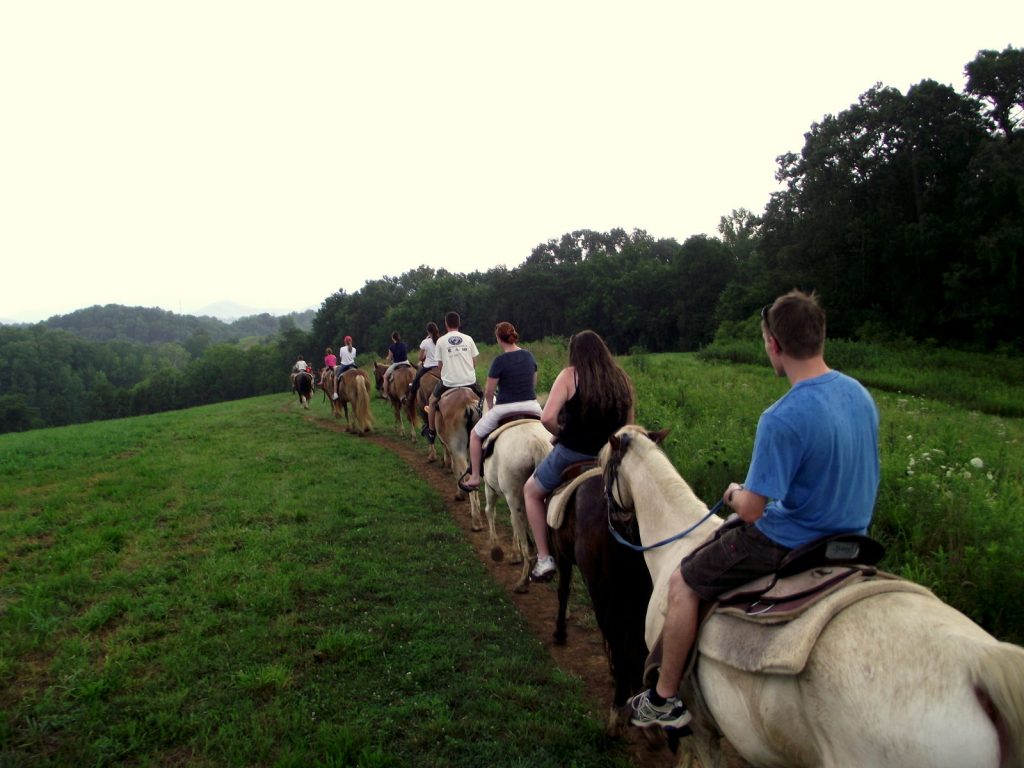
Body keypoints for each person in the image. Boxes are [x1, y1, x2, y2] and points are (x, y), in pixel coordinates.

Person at [627, 290, 881, 730]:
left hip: (791, 541)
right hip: (854, 539)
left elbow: (752, 511)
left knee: (684, 582)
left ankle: (663, 698)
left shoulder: (781, 416)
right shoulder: (859, 394)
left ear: (774, 345)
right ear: (820, 336)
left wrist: (733, 493)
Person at [523, 330, 634, 582]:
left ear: (575, 353)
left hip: (572, 453)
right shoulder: (621, 379)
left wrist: (560, 434)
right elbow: (628, 427)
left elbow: (547, 418)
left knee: (531, 491)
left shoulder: (569, 376)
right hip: (610, 458)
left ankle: (544, 558)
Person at [458, 322, 543, 492]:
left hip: (505, 408)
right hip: (532, 406)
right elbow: (533, 383)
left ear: (498, 339)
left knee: (475, 435)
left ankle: (474, 477)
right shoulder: (529, 356)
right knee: (551, 431)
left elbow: (489, 392)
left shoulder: (499, 361)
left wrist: (490, 407)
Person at [423, 312, 482, 443]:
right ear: (459, 323)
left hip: (449, 383)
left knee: (432, 401)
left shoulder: (441, 341)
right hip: (470, 381)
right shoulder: (468, 339)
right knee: (485, 400)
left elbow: (440, 365)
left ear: (446, 324)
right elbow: (474, 362)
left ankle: (431, 432)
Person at [409, 322, 441, 402]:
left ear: (428, 331)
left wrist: (424, 357)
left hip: (428, 366)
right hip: (440, 366)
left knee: (416, 380)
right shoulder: (441, 340)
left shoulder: (425, 342)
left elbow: (420, 358)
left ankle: (411, 398)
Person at [381, 331, 410, 399]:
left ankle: (385, 393)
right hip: (406, 362)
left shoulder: (391, 347)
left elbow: (390, 358)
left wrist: (387, 358)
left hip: (397, 363)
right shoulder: (404, 344)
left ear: (393, 338)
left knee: (385, 377)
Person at [334, 336, 357, 400]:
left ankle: (335, 393)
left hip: (344, 366)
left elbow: (341, 358)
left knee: (335, 378)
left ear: (345, 342)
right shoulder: (354, 349)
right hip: (353, 365)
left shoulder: (341, 348)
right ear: (351, 341)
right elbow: (353, 358)